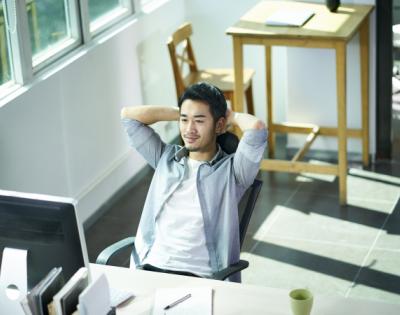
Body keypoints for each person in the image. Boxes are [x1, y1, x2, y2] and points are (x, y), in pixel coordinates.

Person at [120, 82, 267, 282]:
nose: (189, 129)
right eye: (184, 121)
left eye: (199, 120)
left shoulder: (233, 172)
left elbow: (257, 129)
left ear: (219, 125)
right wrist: (181, 112)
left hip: (200, 278)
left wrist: (229, 116)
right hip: (148, 268)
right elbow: (129, 116)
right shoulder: (165, 158)